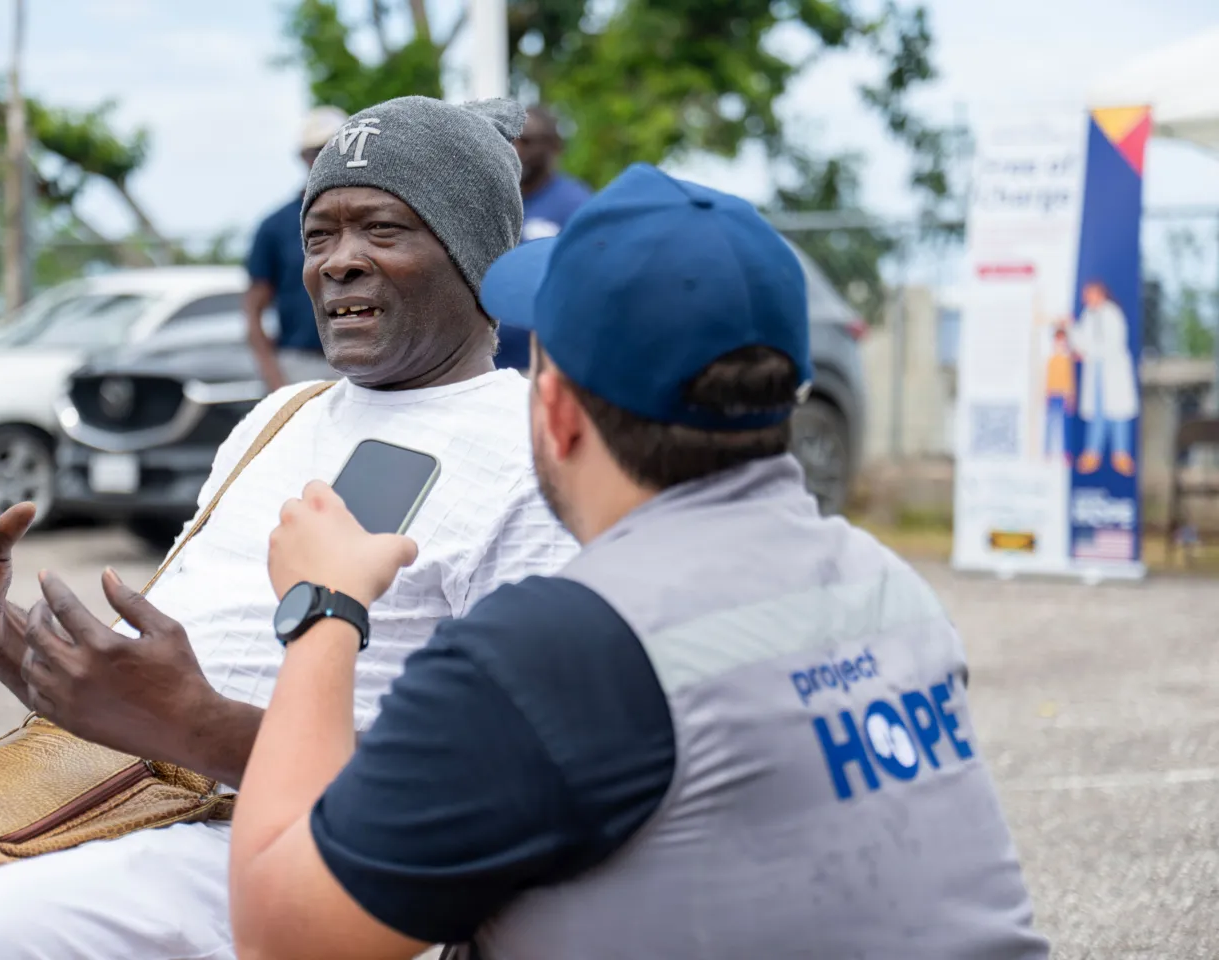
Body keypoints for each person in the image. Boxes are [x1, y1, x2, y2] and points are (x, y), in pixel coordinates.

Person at [0, 95, 578, 960]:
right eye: (319, 236)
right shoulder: (279, 419)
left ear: (475, 253)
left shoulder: (532, 453)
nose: (338, 262)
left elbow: (491, 789)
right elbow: (139, 708)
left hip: (287, 846)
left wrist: (195, 726)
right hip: (118, 795)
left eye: (382, 230)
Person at [227, 164, 1050, 960]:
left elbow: (280, 935)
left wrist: (325, 608)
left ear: (556, 410)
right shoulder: (889, 587)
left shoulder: (559, 647)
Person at [243, 105, 348, 390]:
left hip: (370, 363)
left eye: (335, 148)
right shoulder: (276, 226)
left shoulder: (376, 214)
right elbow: (253, 309)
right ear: (303, 156)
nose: (325, 159)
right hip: (302, 366)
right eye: (317, 151)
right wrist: (276, 380)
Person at [493, 105, 593, 371]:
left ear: (554, 147)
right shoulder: (491, 200)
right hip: (488, 366)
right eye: (511, 141)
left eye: (527, 142)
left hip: (543, 369)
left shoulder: (577, 207)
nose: (516, 150)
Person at [1066, 280, 1139, 476]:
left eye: (1089, 294)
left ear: (1100, 294)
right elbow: (1081, 341)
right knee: (1097, 413)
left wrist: (1087, 352)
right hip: (1096, 370)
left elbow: (1112, 344)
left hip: (1111, 369)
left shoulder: (1112, 314)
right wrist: (1071, 329)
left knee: (1118, 414)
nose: (1086, 299)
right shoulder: (1088, 315)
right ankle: (1092, 453)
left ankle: (1121, 454)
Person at [1044, 324, 1076, 461]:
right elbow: (1048, 379)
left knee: (1066, 426)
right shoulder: (1051, 360)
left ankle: (1066, 452)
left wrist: (1071, 395)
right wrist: (1047, 394)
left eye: (1063, 342)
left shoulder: (1067, 360)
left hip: (1065, 395)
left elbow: (1070, 379)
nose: (1060, 345)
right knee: (1050, 423)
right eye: (1058, 342)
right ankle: (1047, 451)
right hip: (1053, 395)